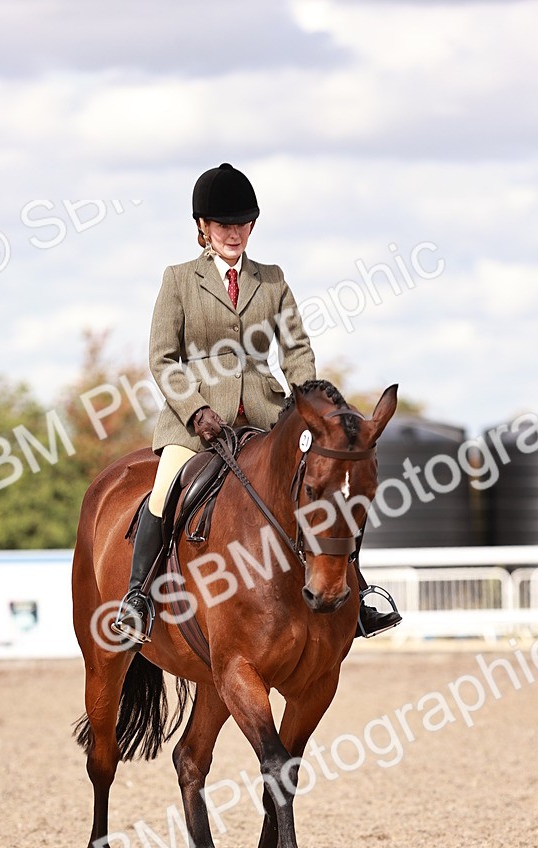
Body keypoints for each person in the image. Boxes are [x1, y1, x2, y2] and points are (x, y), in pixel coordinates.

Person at [115, 162, 401, 648]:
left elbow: (295, 349)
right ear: (202, 227)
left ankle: (359, 594)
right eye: (224, 224)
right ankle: (138, 597)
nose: (235, 233)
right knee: (164, 490)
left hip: (269, 416)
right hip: (196, 423)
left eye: (243, 223)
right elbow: (163, 359)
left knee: (330, 486)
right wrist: (195, 409)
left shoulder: (271, 280)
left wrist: (310, 405)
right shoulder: (179, 280)